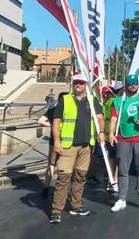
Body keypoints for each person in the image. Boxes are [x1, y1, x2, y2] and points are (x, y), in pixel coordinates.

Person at [49, 74, 104, 224]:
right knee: (63, 178)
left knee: (80, 176)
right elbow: (56, 121)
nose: (77, 85)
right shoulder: (65, 100)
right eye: (75, 83)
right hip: (68, 146)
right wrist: (57, 141)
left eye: (80, 83)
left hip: (86, 146)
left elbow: (99, 118)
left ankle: (76, 205)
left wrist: (101, 133)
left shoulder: (93, 101)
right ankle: (56, 210)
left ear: (86, 84)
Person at [109, 74, 139, 212]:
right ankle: (121, 199)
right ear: (125, 85)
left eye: (135, 83)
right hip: (123, 138)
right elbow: (113, 118)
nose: (133, 85)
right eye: (130, 83)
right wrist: (111, 133)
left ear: (138, 84)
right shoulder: (118, 101)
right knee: (123, 171)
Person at [38, 92, 67, 199]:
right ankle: (61, 189)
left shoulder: (52, 111)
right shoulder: (69, 111)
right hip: (67, 143)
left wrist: (51, 125)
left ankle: (46, 187)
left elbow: (40, 121)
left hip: (53, 142)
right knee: (64, 167)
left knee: (51, 165)